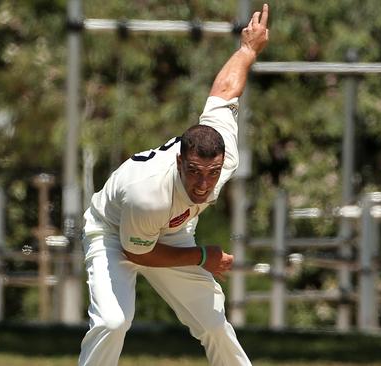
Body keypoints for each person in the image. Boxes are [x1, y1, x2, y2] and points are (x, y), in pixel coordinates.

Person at [79, 4, 270, 365]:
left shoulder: (223, 154)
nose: (203, 183)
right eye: (195, 172)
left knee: (214, 325)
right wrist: (202, 257)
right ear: (180, 161)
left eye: (212, 174)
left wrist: (248, 50)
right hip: (113, 231)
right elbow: (138, 253)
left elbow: (225, 91)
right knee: (113, 321)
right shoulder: (149, 192)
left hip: (170, 230)